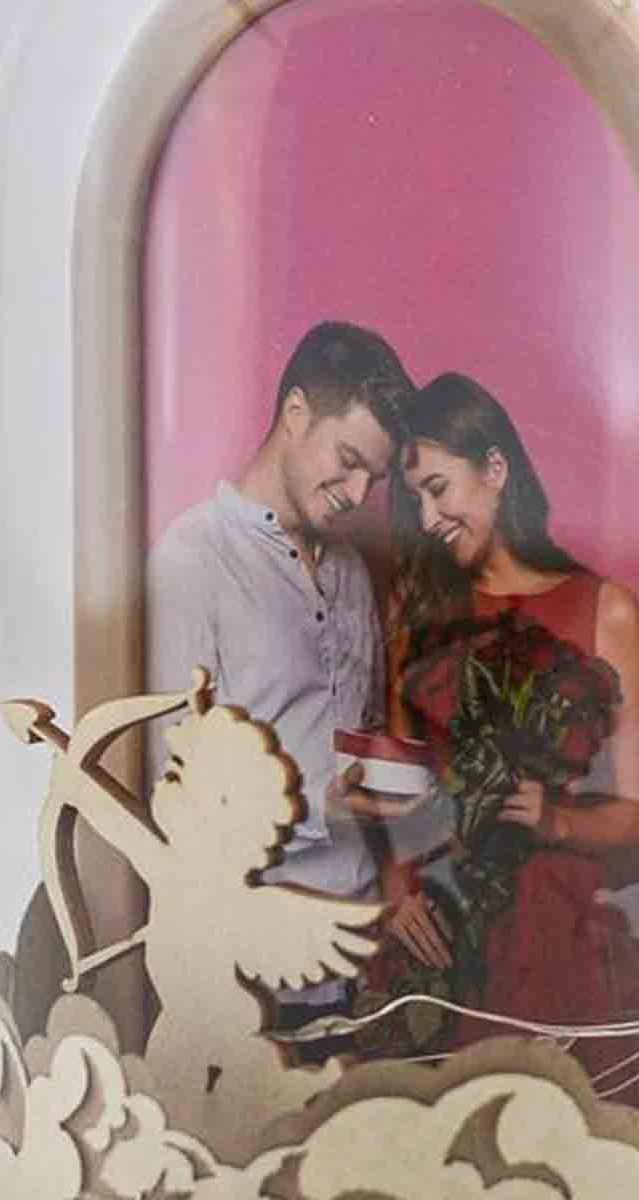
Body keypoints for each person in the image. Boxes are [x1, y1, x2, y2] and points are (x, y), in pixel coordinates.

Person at [365, 371, 639, 1082]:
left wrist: (555, 819)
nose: (427, 519)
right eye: (414, 499)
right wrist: (396, 891)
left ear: (494, 469)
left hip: (559, 946)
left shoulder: (606, 610)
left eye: (438, 489)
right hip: (442, 946)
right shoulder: (417, 615)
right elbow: (394, 794)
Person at [145, 320, 414, 1033]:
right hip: (250, 974)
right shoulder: (191, 560)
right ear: (296, 412)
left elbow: (361, 732)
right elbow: (173, 791)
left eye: (375, 478)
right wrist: (323, 808)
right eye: (348, 460)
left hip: (365, 960)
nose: (358, 493)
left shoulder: (351, 571)